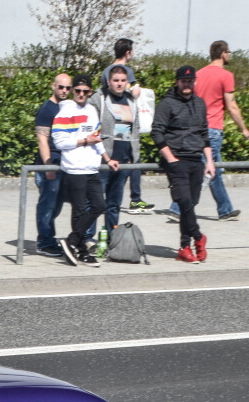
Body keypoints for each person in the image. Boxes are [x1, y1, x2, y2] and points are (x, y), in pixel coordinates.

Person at [166, 40, 249, 222]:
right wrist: (243, 129)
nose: (230, 55)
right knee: (204, 170)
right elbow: (232, 106)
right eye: (229, 52)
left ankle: (225, 209)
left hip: (196, 128)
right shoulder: (226, 76)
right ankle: (177, 209)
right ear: (223, 54)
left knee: (215, 171)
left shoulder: (199, 74)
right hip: (212, 130)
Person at [51, 74, 119, 267]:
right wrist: (83, 141)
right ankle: (81, 251)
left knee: (99, 205)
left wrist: (107, 159)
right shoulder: (64, 112)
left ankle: (71, 241)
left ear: (90, 92)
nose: (81, 94)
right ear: (73, 91)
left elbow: (96, 139)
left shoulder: (91, 110)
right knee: (79, 211)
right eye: (78, 91)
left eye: (85, 91)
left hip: (92, 167)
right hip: (74, 169)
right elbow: (59, 142)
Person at [152, 66, 216, 263]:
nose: (187, 84)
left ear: (194, 82)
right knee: (184, 202)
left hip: (196, 159)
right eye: (183, 81)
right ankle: (198, 237)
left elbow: (204, 134)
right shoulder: (167, 104)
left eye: (190, 81)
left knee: (191, 205)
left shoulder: (200, 103)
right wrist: (171, 159)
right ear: (177, 82)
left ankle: (184, 246)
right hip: (176, 159)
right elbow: (156, 132)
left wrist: (210, 162)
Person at [100, 38, 153, 214]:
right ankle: (135, 200)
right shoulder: (127, 71)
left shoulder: (106, 70)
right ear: (128, 52)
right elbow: (127, 96)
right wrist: (135, 92)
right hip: (123, 130)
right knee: (133, 161)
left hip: (108, 130)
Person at [88, 65, 139, 233]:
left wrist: (134, 156)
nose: (119, 84)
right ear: (108, 81)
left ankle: (112, 238)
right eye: (115, 80)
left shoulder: (131, 100)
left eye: (123, 81)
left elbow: (135, 129)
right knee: (94, 203)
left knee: (114, 204)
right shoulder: (99, 99)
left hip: (123, 160)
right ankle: (87, 240)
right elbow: (91, 128)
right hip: (102, 160)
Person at [33, 73, 72, 258]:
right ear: (53, 86)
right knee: (47, 204)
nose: (64, 91)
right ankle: (45, 242)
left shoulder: (66, 107)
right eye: (61, 87)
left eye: (67, 88)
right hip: (50, 164)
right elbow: (42, 140)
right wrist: (48, 165)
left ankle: (49, 237)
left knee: (56, 205)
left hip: (64, 163)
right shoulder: (47, 110)